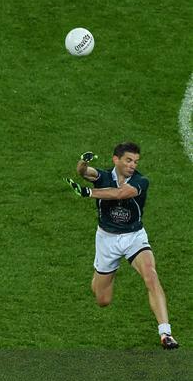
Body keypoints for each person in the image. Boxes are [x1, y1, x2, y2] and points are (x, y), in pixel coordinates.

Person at [65, 142, 179, 349]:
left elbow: (120, 194)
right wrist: (83, 161)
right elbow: (83, 172)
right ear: (115, 159)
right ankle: (103, 273)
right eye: (128, 160)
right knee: (103, 300)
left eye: (135, 161)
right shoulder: (103, 176)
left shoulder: (140, 181)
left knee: (151, 275)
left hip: (133, 237)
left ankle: (166, 333)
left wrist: (89, 193)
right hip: (107, 240)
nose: (132, 165)